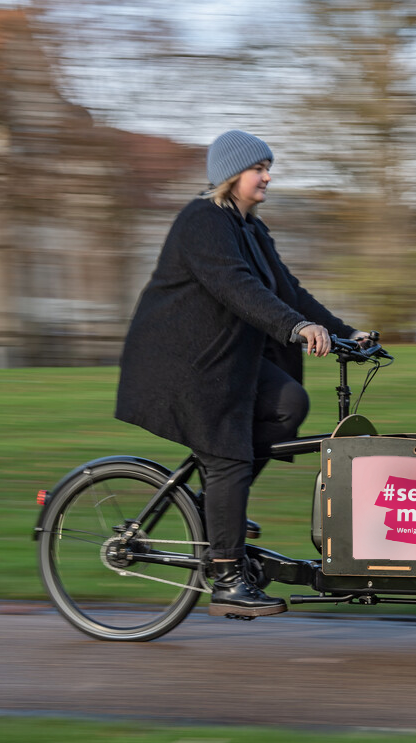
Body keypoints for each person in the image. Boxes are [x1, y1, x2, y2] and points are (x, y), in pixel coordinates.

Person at [115, 129, 367, 618]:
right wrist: (295, 327)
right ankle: (227, 576)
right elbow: (237, 289)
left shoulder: (251, 227)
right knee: (229, 454)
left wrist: (345, 333)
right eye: (259, 168)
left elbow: (288, 290)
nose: (268, 176)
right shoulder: (202, 221)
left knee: (289, 404)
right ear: (231, 175)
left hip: (226, 359)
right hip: (185, 365)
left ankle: (218, 506)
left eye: (268, 167)